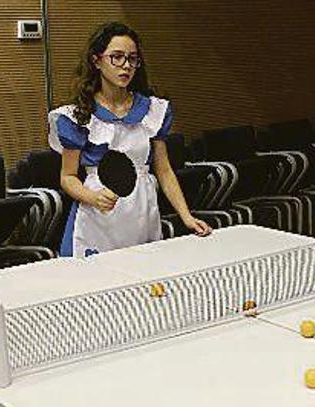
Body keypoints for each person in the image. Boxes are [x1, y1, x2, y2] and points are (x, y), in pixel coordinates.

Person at [49, 22, 211, 258]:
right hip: (97, 217)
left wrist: (186, 217)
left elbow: (164, 170)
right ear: (97, 61)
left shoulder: (153, 111)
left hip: (142, 211)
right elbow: (68, 177)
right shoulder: (77, 116)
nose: (126, 66)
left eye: (132, 59)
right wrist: (92, 197)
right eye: (116, 57)